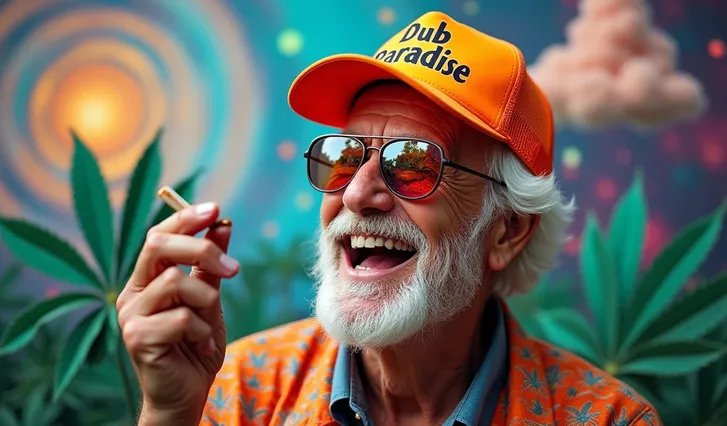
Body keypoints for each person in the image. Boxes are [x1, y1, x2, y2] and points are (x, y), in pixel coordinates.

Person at [117, 10, 662, 426]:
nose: (356, 193)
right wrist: (168, 415)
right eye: (344, 155)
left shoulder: (611, 418)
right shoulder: (237, 392)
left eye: (414, 162)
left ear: (508, 230)